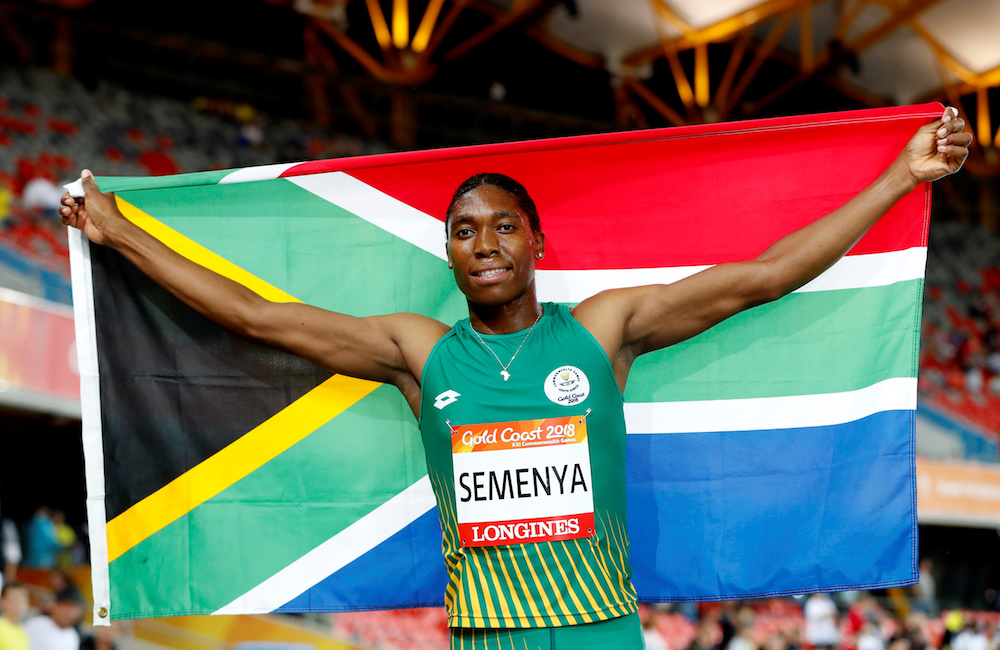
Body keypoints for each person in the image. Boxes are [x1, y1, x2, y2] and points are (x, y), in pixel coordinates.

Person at [61, 107, 971, 650]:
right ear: (447, 253)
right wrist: (121, 233)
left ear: (538, 244)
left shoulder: (605, 330)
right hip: (488, 635)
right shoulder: (419, 353)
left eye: (503, 227)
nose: (485, 243)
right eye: (464, 229)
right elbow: (261, 319)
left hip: (600, 630)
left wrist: (901, 175)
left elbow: (764, 277)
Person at [0, 582, 30, 650]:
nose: (19, 604)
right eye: (15, 599)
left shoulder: (23, 631)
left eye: (22, 599)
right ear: (2, 601)